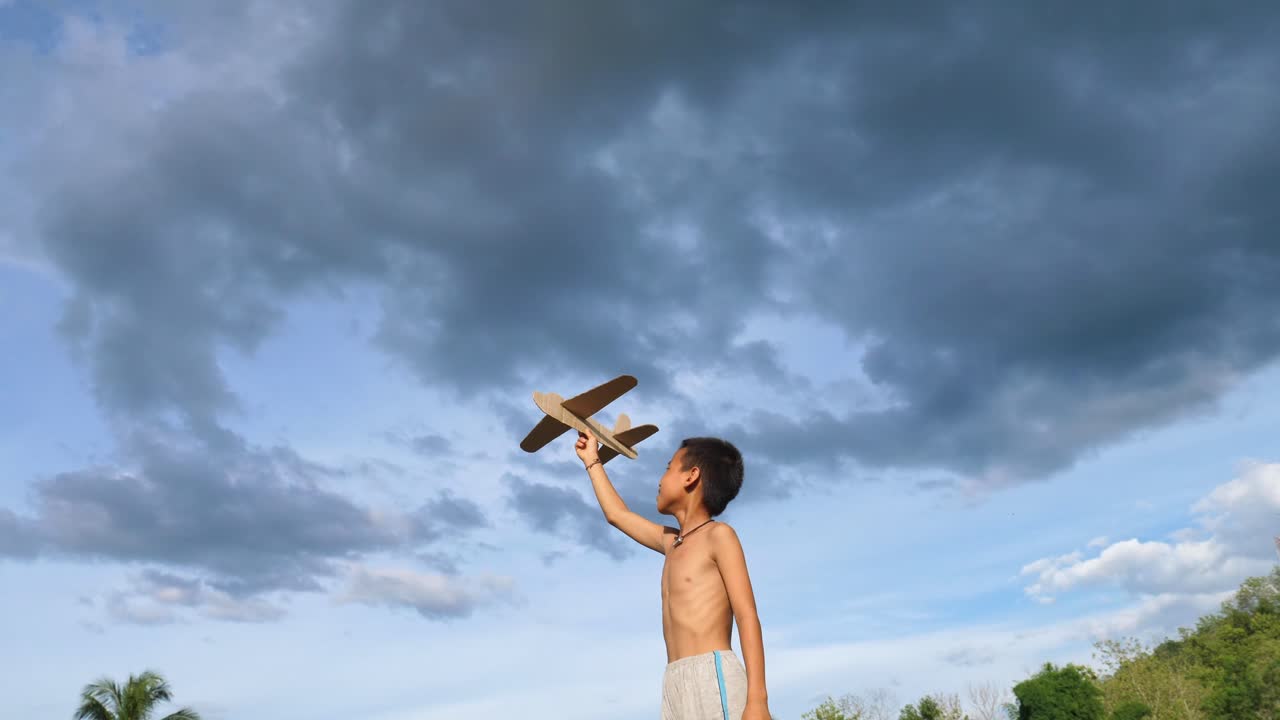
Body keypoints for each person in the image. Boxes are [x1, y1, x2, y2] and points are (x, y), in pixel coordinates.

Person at [576, 428, 771, 720]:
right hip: (673, 682)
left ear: (691, 476)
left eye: (668, 468)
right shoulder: (672, 543)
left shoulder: (719, 536)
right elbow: (618, 515)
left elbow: (747, 616)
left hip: (712, 675)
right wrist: (592, 461)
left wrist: (757, 700)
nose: (660, 478)